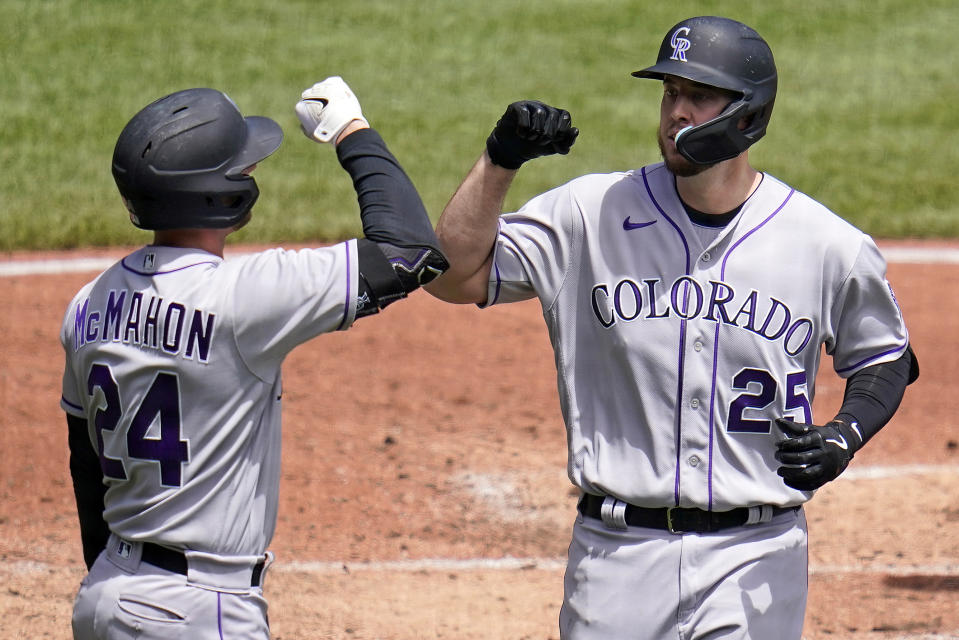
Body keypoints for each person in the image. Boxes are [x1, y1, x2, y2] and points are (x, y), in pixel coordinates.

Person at [426, 15, 918, 639]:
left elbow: (885, 355)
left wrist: (846, 434)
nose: (675, 113)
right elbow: (453, 276)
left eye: (698, 96)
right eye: (668, 93)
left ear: (747, 114)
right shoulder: (589, 213)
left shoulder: (823, 242)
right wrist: (499, 161)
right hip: (616, 560)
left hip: (756, 561)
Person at [60, 77, 448, 639]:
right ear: (220, 194)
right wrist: (351, 131)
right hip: (198, 611)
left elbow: (84, 464)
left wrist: (113, 586)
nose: (250, 171)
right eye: (241, 168)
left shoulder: (86, 305)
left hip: (104, 596)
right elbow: (410, 253)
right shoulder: (245, 298)